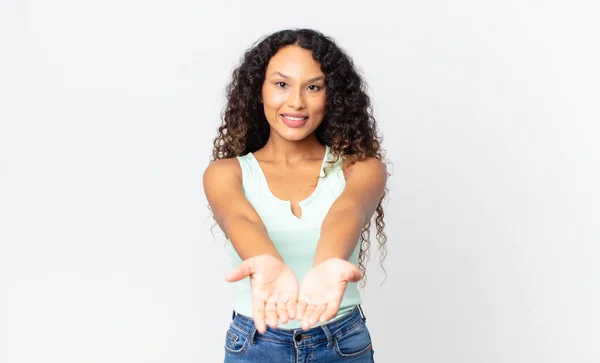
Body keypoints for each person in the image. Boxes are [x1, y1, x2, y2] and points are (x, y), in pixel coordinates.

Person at [203, 28, 388, 362]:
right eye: (282, 84)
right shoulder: (225, 173)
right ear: (259, 90)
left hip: (341, 343)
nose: (297, 101)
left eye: (313, 87)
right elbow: (239, 218)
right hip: (256, 345)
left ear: (331, 97)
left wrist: (327, 263)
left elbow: (346, 212)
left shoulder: (359, 168)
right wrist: (268, 261)